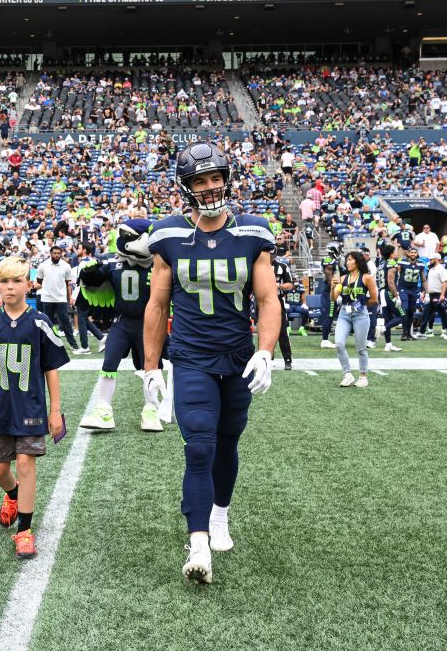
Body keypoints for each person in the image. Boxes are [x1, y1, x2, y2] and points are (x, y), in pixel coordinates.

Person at [143, 142, 280, 585]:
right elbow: (156, 303)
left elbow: (267, 298)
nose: (209, 187)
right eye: (199, 181)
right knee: (199, 445)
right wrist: (150, 367)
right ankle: (198, 541)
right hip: (191, 356)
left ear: (227, 177)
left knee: (227, 441)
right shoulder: (168, 234)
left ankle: (219, 513)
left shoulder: (253, 231)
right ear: (187, 187)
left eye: (215, 177)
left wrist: (266, 350)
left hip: (238, 355)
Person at [0, 257, 68, 561]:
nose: (10, 287)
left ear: (29, 284)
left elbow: (52, 368)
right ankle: (12, 495)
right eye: (5, 281)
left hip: (31, 408)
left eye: (17, 281)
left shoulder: (39, 322)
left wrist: (55, 410)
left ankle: (24, 530)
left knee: (26, 463)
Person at [76, 218, 165, 431]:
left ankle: (151, 410)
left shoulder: (158, 265)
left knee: (151, 368)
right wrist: (88, 272)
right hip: (122, 322)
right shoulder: (114, 264)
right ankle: (104, 410)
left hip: (149, 324)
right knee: (109, 364)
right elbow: (93, 280)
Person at [331, 251, 379, 388]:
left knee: (361, 348)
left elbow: (374, 299)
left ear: (357, 262)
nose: (347, 262)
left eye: (350, 260)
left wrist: (361, 305)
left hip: (360, 314)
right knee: (339, 343)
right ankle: (347, 374)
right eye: (346, 260)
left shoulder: (367, 278)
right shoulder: (342, 278)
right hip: (344, 314)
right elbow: (333, 298)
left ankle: (363, 376)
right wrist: (333, 286)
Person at [34, 245, 80, 351]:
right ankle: (44, 345)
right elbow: (39, 282)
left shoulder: (66, 266)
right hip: (46, 299)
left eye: (58, 253)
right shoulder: (43, 265)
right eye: (54, 253)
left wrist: (70, 298)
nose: (56, 255)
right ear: (50, 253)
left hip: (61, 299)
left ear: (61, 254)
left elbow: (68, 283)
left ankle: (73, 344)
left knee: (66, 322)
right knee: (46, 324)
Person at [271, 253, 298, 371]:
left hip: (277, 300)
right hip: (262, 301)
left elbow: (289, 285)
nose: (270, 257)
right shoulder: (258, 266)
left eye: (272, 255)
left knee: (282, 332)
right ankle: (267, 359)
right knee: (264, 332)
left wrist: (278, 286)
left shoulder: (282, 266)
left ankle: (288, 360)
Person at [378, 243, 404, 352]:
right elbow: (390, 281)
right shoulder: (392, 263)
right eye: (395, 251)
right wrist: (397, 295)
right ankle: (382, 329)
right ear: (391, 253)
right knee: (401, 316)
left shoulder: (382, 263)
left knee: (388, 319)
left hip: (382, 292)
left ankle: (388, 344)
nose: (396, 253)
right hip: (388, 291)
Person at [395, 246, 426, 340]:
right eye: (411, 252)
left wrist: (426, 292)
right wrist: (396, 291)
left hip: (414, 290)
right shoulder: (402, 261)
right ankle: (404, 333)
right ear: (408, 253)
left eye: (414, 252)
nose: (413, 254)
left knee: (411, 312)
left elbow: (423, 279)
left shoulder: (421, 263)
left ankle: (408, 333)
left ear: (417, 254)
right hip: (403, 289)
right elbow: (397, 276)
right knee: (405, 310)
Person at [421, 254, 447, 338]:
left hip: (437, 295)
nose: (430, 261)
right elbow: (428, 282)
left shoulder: (441, 270)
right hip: (430, 295)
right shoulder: (431, 269)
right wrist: (425, 292)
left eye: (431, 259)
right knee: (425, 313)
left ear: (436, 259)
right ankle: (421, 332)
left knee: (443, 314)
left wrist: (442, 295)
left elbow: (445, 282)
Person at [317, 243, 341, 349]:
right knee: (329, 315)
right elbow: (329, 277)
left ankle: (326, 338)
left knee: (331, 315)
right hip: (330, 291)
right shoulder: (328, 260)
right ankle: (325, 340)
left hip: (332, 290)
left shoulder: (332, 260)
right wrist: (335, 291)